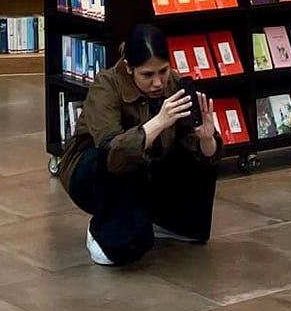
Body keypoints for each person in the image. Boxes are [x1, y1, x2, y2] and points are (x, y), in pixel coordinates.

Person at [58, 23, 221, 267]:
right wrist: (158, 123)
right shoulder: (106, 85)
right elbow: (113, 153)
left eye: (163, 71)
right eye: (147, 75)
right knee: (129, 246)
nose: (157, 82)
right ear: (129, 68)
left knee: (197, 155)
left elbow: (201, 151)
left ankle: (172, 222)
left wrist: (207, 139)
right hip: (94, 171)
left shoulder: (174, 84)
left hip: (147, 167)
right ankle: (102, 228)